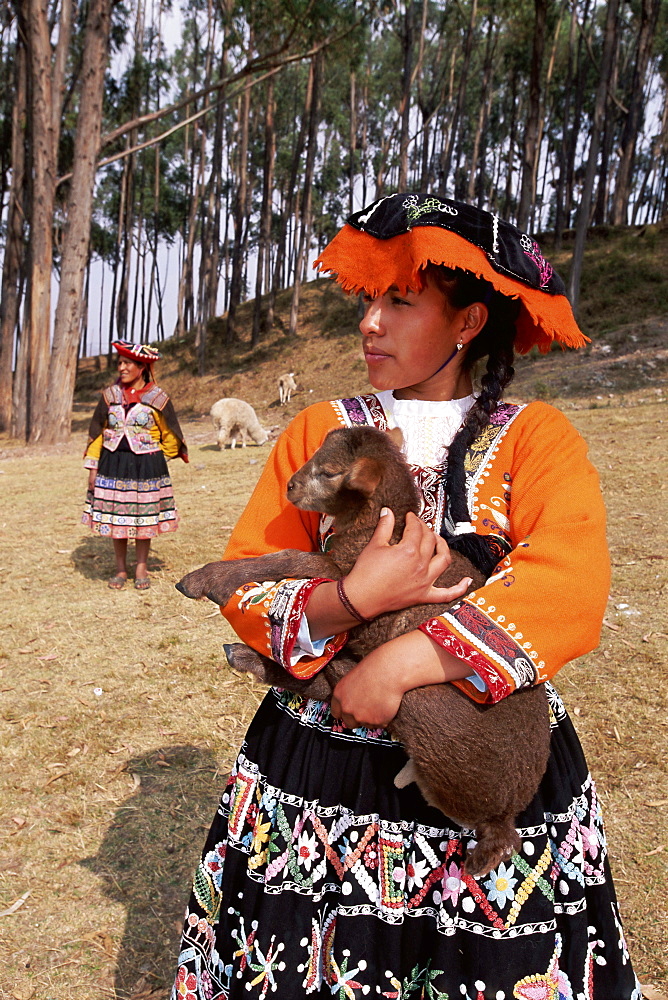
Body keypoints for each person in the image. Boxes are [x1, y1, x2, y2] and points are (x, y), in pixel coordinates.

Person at [172, 195, 640, 999]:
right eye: (367, 301)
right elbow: (250, 574)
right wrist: (350, 600)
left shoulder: (535, 438)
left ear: (467, 323)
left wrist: (391, 669)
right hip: (320, 775)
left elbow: (569, 582)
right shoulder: (321, 427)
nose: (370, 324)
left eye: (400, 301)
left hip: (490, 755)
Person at [82, 340, 188, 590]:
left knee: (143, 519)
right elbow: (98, 432)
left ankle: (141, 566)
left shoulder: (156, 398)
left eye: (127, 363)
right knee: (116, 518)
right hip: (112, 463)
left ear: (141, 367)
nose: (121, 367)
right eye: (119, 363)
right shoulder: (110, 396)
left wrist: (156, 456)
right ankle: (120, 568)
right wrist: (92, 467)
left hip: (146, 467)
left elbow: (170, 434)